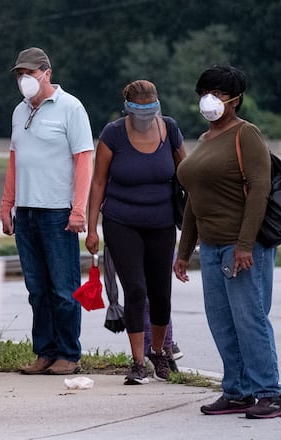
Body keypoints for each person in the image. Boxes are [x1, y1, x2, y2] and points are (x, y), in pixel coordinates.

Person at [174, 65, 281, 418]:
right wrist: (183, 250)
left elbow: (260, 190)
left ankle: (270, 392)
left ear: (235, 101)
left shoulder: (245, 134)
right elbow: (194, 198)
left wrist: (246, 245)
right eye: (206, 92)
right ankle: (237, 391)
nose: (211, 99)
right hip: (211, 246)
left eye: (219, 93)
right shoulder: (205, 140)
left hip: (242, 248)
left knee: (250, 319)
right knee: (222, 322)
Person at [0, 47, 93, 375]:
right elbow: (14, 159)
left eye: (30, 73)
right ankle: (45, 350)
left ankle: (69, 353)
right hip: (25, 212)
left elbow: (83, 160)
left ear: (46, 74)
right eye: (19, 74)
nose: (24, 79)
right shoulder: (19, 111)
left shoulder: (71, 107)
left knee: (63, 288)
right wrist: (6, 204)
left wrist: (78, 210)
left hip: (57, 211)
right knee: (37, 289)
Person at [85, 80, 185, 385]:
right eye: (139, 109)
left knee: (160, 292)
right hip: (121, 221)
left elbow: (189, 173)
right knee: (136, 290)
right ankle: (138, 361)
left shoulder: (170, 129)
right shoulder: (113, 133)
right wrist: (92, 229)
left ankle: (159, 352)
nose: (145, 115)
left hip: (162, 222)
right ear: (127, 108)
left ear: (157, 105)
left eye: (150, 108)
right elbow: (98, 183)